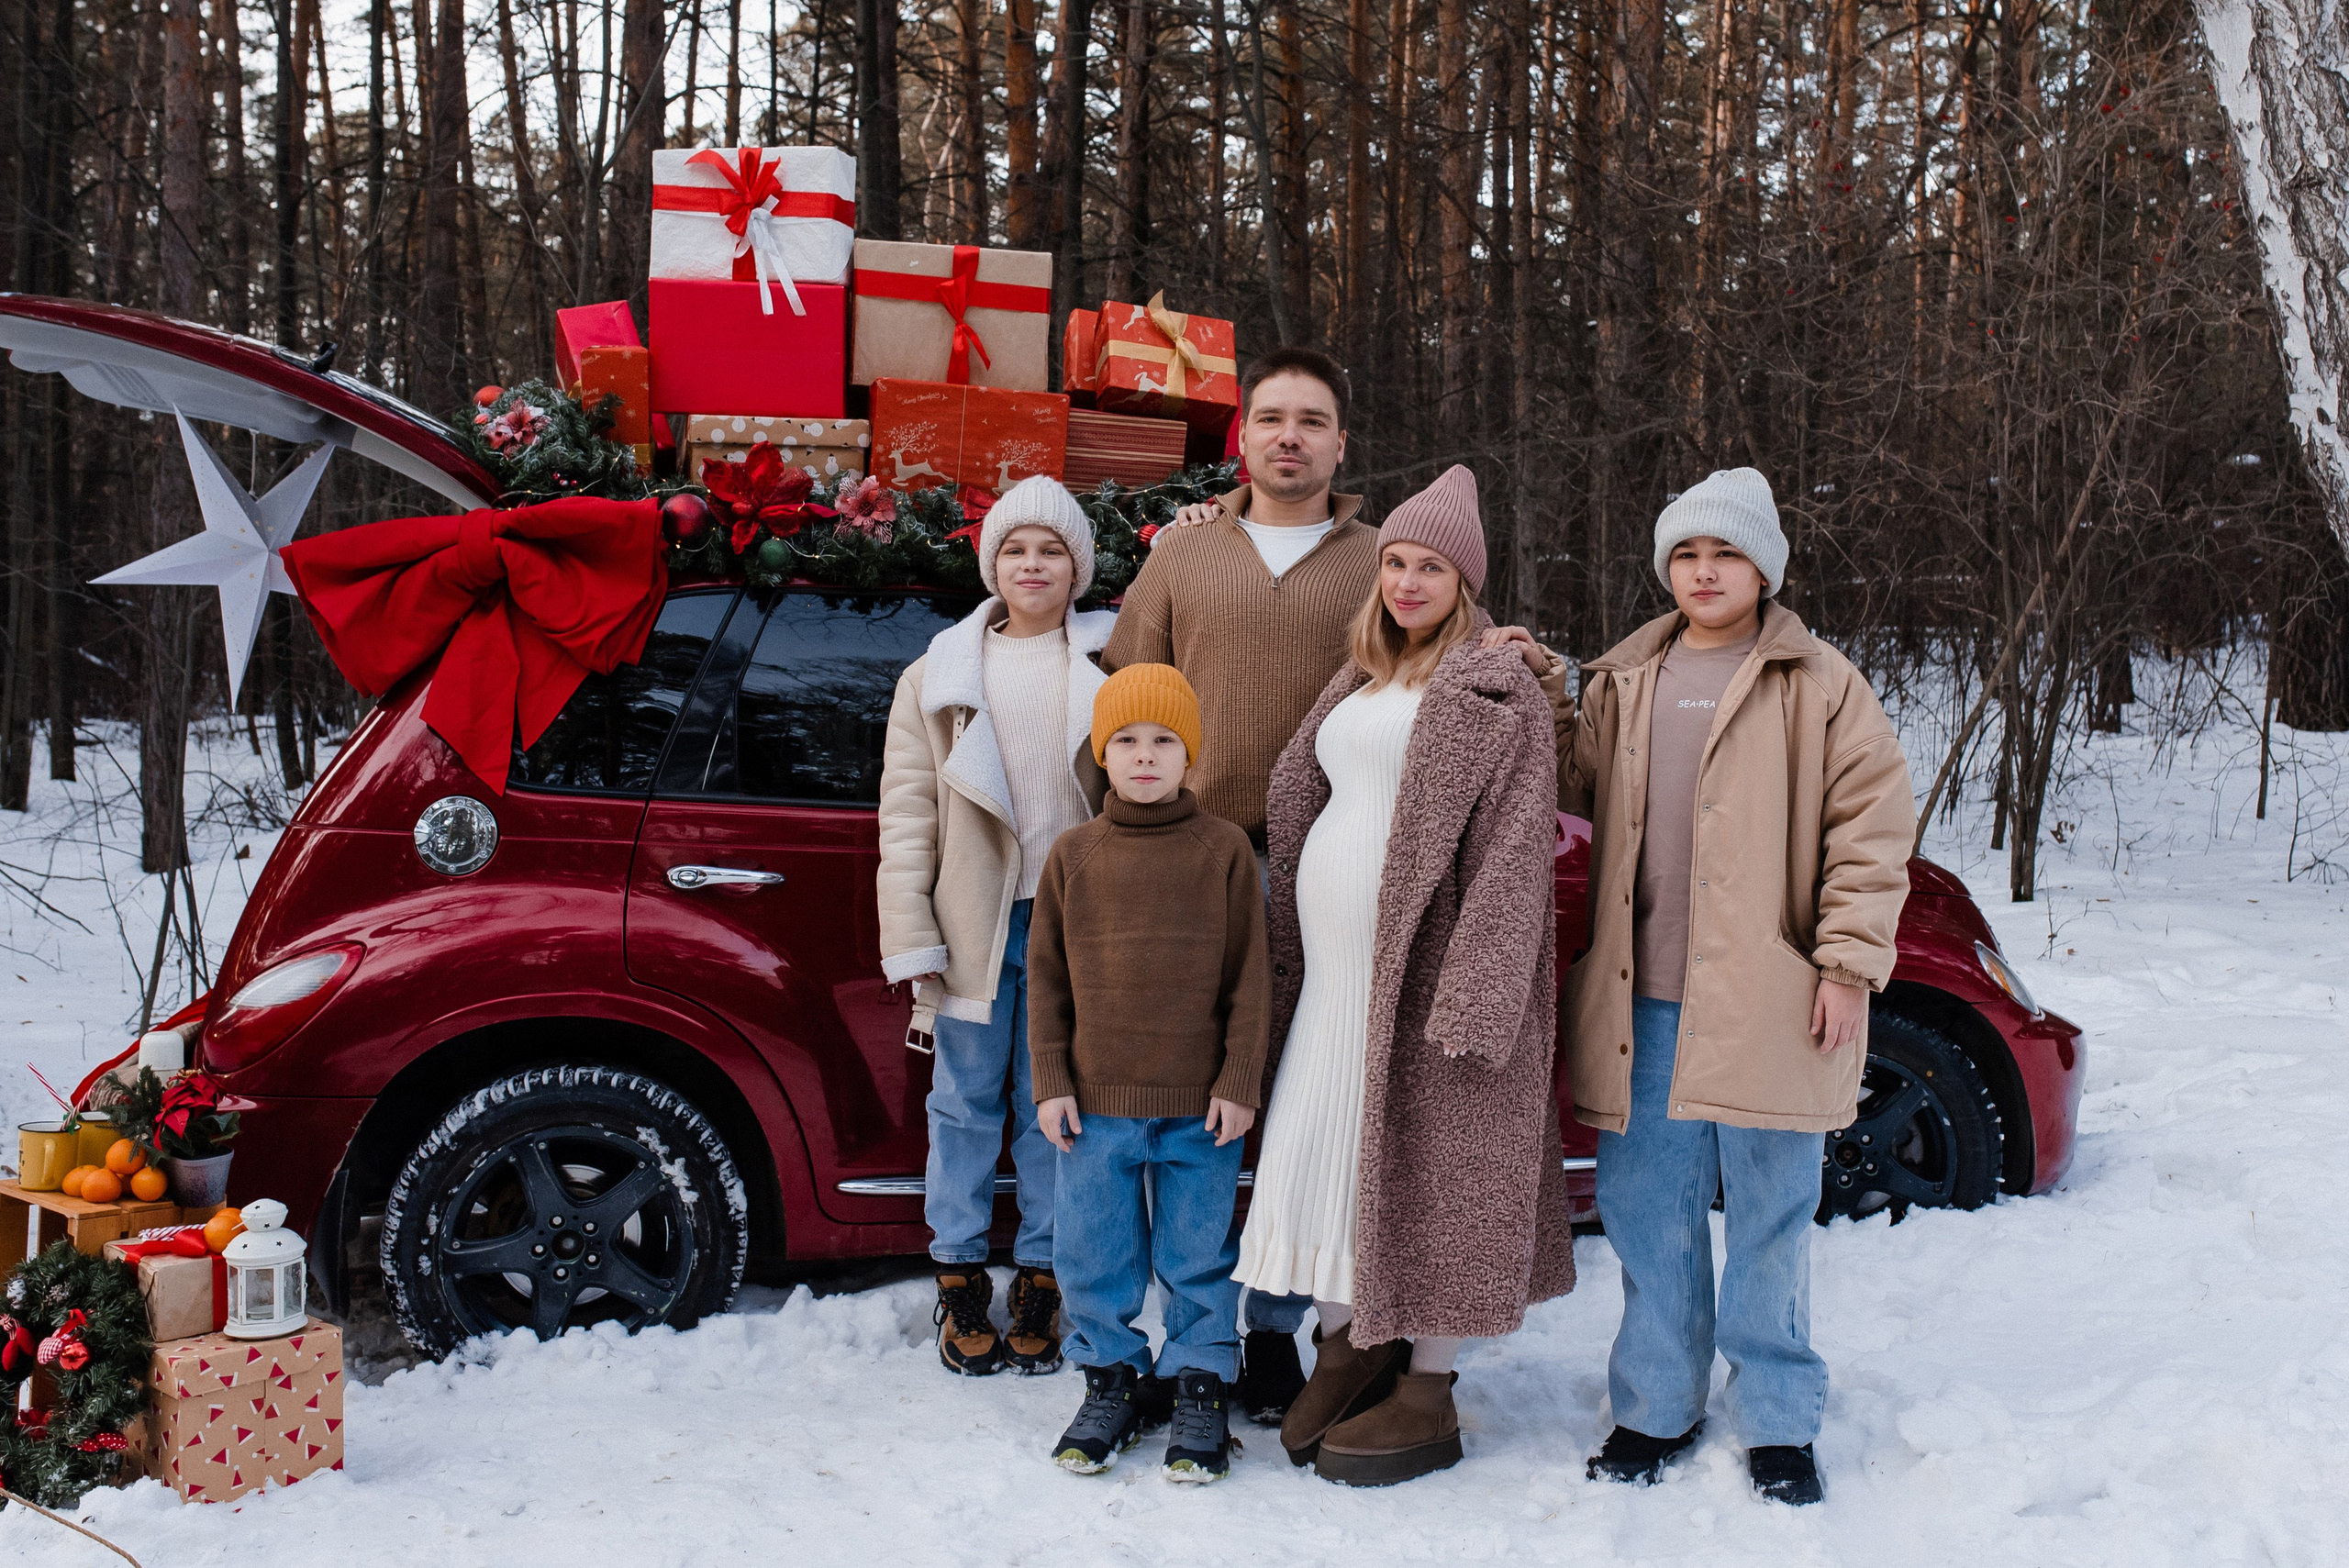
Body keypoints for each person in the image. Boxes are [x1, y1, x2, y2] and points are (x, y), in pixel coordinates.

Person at [1513, 467, 1914, 1507]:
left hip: (1769, 997)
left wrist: (1845, 964)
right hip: (1638, 997)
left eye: (1723, 553)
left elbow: (1868, 831)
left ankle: (1778, 1417)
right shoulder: (1626, 677)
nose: (1702, 571)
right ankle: (1654, 1404)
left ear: (1763, 568)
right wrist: (1542, 687)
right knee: (1648, 1213)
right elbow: (1570, 782)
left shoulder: (1819, 682)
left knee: (1773, 1214)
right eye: (1685, 555)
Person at [1238, 465, 1575, 1487]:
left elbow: (1520, 852)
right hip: (1335, 984)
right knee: (1337, 1155)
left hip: (1429, 979)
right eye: (1394, 560)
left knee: (1439, 1175)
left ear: (1463, 582)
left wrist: (1478, 992)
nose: (1407, 580)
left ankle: (1427, 1385)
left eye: (1430, 565)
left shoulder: (1494, 683)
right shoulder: (1359, 676)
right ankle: (1348, 1344)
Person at [1103, 344, 1380, 1423]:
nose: (1290, 436)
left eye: (1312, 419)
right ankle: (1191, 1329)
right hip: (1195, 860)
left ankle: (1274, 1328)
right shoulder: (1183, 556)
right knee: (1197, 1099)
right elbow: (1127, 700)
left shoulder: (1377, 563)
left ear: (1339, 442)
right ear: (1244, 434)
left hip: (1329, 859)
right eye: (1271, 417)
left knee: (1303, 1096)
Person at [876, 474, 1111, 1379]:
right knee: (965, 1101)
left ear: (1077, 566)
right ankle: (960, 1269)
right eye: (1015, 547)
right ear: (992, 563)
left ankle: (1043, 1270)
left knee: (1053, 1105)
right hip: (974, 919)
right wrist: (913, 935)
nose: (1032, 563)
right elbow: (906, 817)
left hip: (1071, 923)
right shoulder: (936, 675)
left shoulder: (1107, 664)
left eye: (1051, 548)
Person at [1026, 663, 1271, 1483]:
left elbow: (1249, 978)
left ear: (1190, 755)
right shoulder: (1074, 855)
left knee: (1198, 1250)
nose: (1144, 755)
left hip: (1200, 1106)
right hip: (1095, 1103)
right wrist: (1051, 1079)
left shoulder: (1224, 850)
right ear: (1102, 752)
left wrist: (1239, 1081)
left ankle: (1199, 1379)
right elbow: (1048, 978)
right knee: (1094, 1248)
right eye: (1125, 740)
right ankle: (1113, 1378)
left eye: (1164, 740)